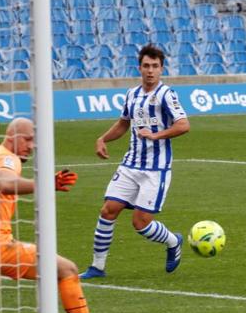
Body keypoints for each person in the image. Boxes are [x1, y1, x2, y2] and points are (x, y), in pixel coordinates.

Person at [80, 45, 190, 279]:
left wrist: (156, 135)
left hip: (155, 169)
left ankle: (173, 241)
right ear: (139, 68)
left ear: (161, 69)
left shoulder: (165, 94)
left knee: (140, 223)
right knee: (108, 210)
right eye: (146, 66)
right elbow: (123, 123)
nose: (150, 71)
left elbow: (183, 125)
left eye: (155, 66)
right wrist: (103, 138)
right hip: (130, 164)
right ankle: (97, 267)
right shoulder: (132, 94)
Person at [0, 118, 94, 313]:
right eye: (27, 139)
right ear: (12, 136)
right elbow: (5, 184)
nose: (31, 147)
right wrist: (46, 183)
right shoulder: (8, 158)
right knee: (66, 269)